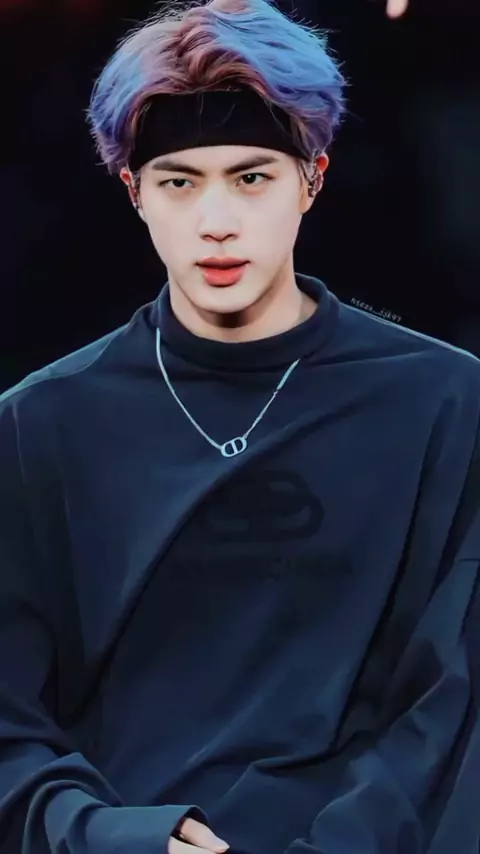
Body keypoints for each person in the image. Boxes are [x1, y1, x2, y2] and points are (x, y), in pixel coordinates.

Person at [0, 0, 479, 852]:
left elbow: (452, 703)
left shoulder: (446, 404)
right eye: (179, 182)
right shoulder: (38, 426)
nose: (216, 221)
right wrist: (118, 838)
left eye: (251, 177)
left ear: (312, 179)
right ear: (134, 192)